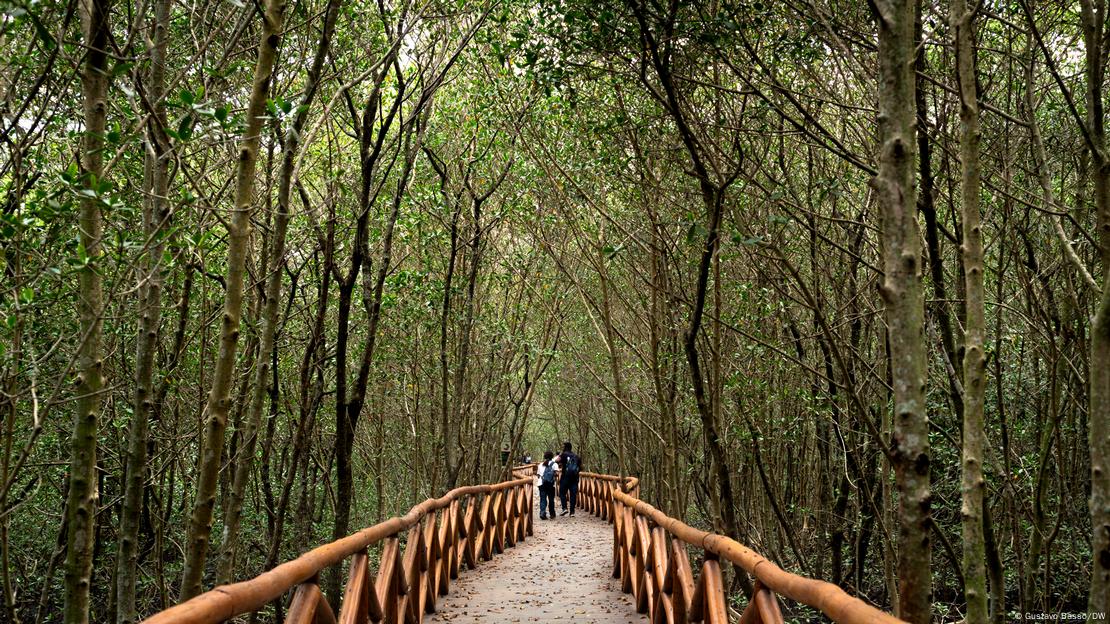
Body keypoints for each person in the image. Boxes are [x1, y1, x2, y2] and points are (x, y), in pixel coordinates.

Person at [554, 441, 581, 517]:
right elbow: (580, 467)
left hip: (565, 477)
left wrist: (561, 462)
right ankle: (572, 512)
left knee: (562, 492)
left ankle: (564, 508)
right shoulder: (576, 456)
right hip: (574, 478)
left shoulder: (563, 454)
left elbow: (556, 461)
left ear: (565, 447)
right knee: (573, 495)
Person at [536, 451, 558, 520]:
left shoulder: (540, 465)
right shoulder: (555, 464)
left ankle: (542, 512)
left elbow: (538, 475)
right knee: (551, 499)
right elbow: (556, 474)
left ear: (544, 457)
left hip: (541, 484)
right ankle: (552, 513)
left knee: (543, 499)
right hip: (551, 484)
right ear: (552, 456)